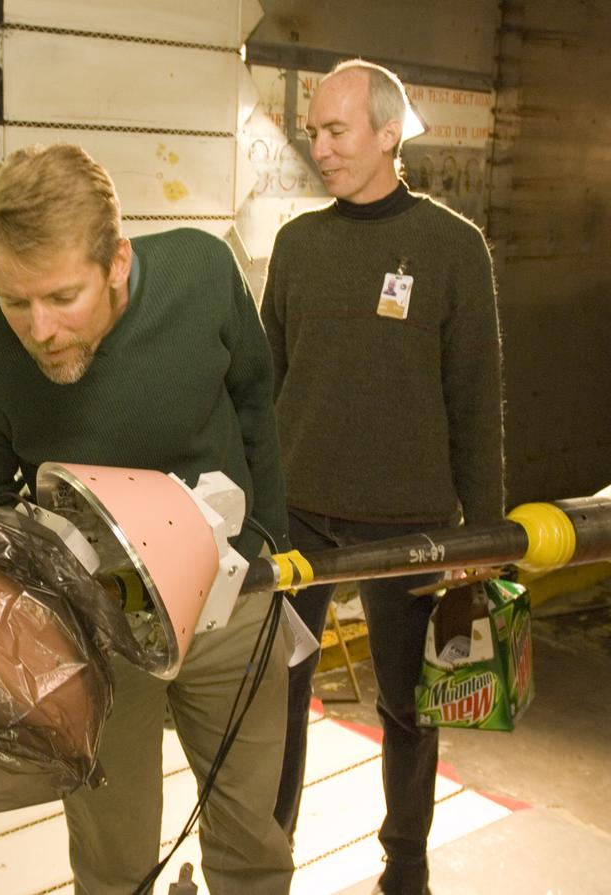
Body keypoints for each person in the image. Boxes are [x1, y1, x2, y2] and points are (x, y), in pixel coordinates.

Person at [0, 143, 294, 895]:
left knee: (251, 834)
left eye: (62, 297)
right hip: (97, 626)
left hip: (231, 594)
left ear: (118, 262)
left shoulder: (202, 274)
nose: (40, 329)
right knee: (112, 855)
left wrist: (267, 539)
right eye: (14, 302)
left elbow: (255, 400)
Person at [260, 60, 504, 895]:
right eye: (314, 133)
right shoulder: (297, 245)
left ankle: (405, 865)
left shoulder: (453, 248)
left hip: (412, 524)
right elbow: (268, 383)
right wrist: (256, 508)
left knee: (410, 703)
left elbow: (475, 397)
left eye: (336, 131)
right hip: (299, 516)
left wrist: (484, 533)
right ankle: (266, 862)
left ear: (388, 133)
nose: (320, 147)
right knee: (278, 697)